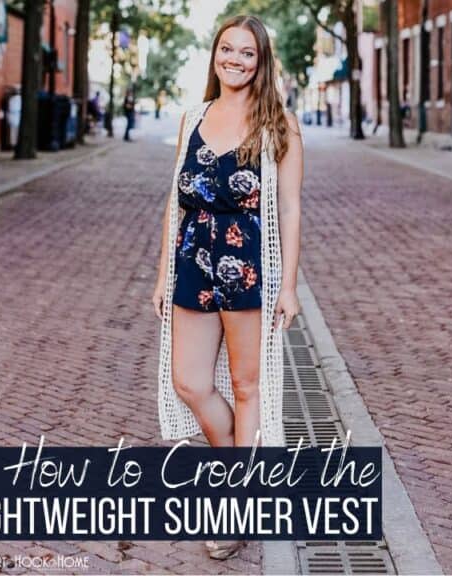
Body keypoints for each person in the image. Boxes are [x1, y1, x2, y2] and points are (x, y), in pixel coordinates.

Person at [152, 14, 303, 560]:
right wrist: (163, 273)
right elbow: (175, 199)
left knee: (246, 387)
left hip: (248, 267)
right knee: (189, 381)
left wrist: (287, 286)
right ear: (214, 55)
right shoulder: (193, 116)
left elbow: (288, 207)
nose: (235, 60)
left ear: (261, 62)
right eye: (227, 50)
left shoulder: (278, 124)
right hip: (193, 262)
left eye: (247, 53)